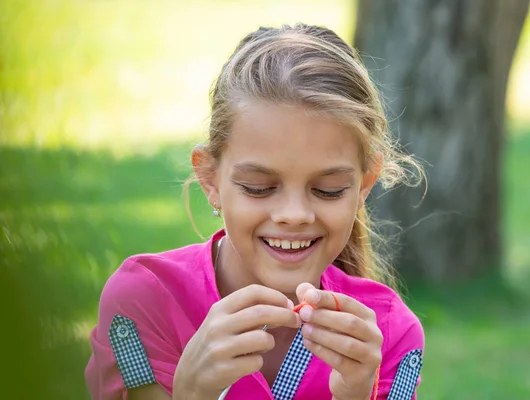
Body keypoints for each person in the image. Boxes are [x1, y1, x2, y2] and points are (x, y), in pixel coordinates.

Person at [85, 23, 425, 400]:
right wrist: (192, 393)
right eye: (259, 187)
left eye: (328, 190)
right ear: (211, 179)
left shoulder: (388, 334)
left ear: (363, 185)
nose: (294, 214)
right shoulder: (144, 300)